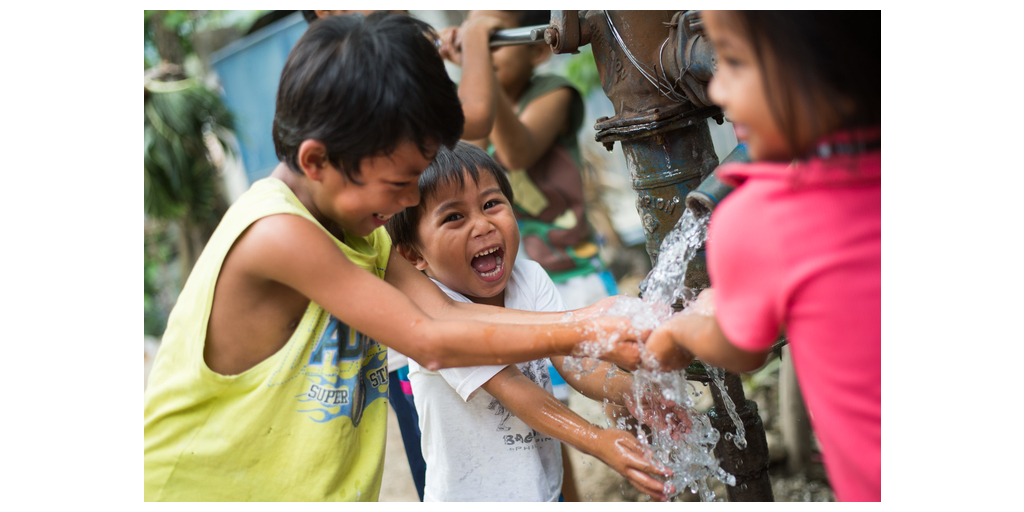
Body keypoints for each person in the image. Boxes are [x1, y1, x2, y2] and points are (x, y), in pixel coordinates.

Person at [144, 13, 644, 502]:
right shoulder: (277, 235)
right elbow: (431, 339)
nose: (408, 202)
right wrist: (589, 324)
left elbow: (447, 313)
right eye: (399, 184)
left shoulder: (364, 227)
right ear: (317, 161)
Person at [644, 10, 881, 502]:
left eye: (731, 59)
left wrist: (678, 329)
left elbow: (741, 348)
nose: (717, 90)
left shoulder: (763, 217)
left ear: (819, 59)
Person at [386, 141, 685, 502]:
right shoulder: (437, 318)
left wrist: (632, 393)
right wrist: (595, 439)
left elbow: (575, 361)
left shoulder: (529, 278)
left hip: (539, 487)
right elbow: (515, 390)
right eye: (454, 217)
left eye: (491, 204)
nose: (482, 225)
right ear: (413, 253)